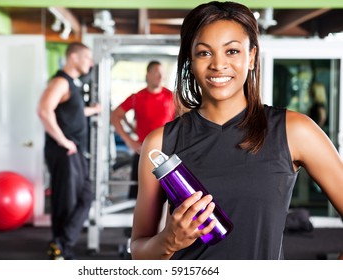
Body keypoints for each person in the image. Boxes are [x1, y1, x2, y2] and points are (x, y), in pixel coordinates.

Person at [130, 1, 343, 260]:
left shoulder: (294, 131)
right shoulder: (160, 142)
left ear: (251, 57)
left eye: (231, 51)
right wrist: (168, 240)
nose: (218, 65)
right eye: (204, 53)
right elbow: (139, 253)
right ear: (190, 61)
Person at [37, 42, 101, 260]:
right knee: (67, 202)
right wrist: (63, 141)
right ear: (73, 57)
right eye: (87, 59)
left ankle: (61, 242)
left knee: (86, 196)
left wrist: (94, 110)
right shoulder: (60, 81)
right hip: (65, 152)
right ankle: (61, 249)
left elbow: (73, 112)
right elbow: (44, 110)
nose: (90, 63)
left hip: (75, 152)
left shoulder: (71, 84)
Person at [110, 60, 175, 199]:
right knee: (139, 198)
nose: (160, 77)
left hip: (166, 153)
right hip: (143, 151)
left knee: (167, 197)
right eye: (157, 73)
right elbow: (115, 116)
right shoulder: (137, 97)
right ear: (148, 74)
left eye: (162, 74)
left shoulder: (172, 97)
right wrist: (129, 141)